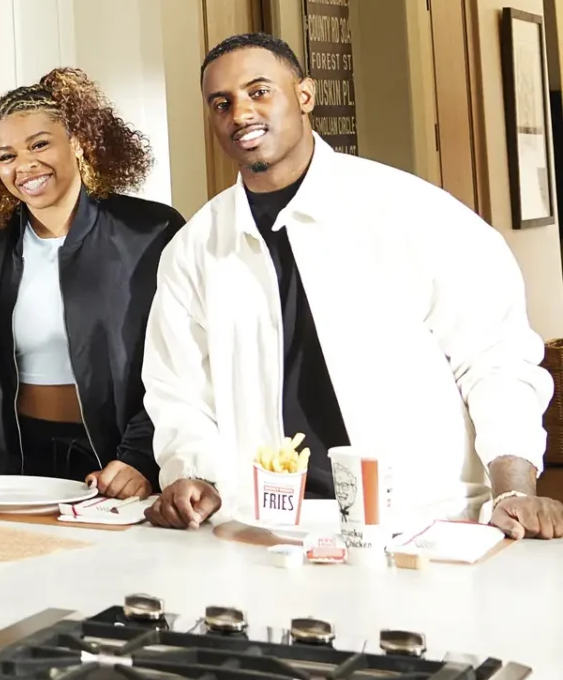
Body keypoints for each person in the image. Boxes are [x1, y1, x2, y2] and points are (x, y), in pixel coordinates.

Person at [145, 33, 563, 537]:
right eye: (222, 103)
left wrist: (513, 489)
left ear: (304, 96)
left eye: (259, 92)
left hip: (422, 518)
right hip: (267, 525)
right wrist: (194, 473)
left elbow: (495, 358)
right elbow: (178, 388)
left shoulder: (414, 212)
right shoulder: (195, 250)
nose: (241, 114)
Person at [0, 69, 185, 500]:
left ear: (76, 141)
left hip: (120, 467)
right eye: (6, 155)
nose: (24, 165)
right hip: (16, 466)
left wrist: (139, 458)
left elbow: (181, 367)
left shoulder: (150, 234)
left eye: (40, 144)